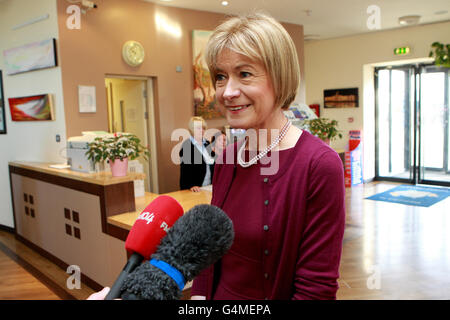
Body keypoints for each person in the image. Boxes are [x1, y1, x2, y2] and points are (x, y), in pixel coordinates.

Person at [190, 13, 345, 300]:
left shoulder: (318, 165)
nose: (227, 91)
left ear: (279, 77)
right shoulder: (228, 158)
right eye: (221, 77)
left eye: (245, 74)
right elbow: (209, 250)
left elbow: (316, 290)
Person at [179, 116, 215, 192]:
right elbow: (185, 171)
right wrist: (190, 186)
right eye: (198, 128)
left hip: (209, 187)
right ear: (192, 129)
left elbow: (212, 164)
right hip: (195, 189)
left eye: (203, 128)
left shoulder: (207, 143)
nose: (202, 130)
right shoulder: (187, 146)